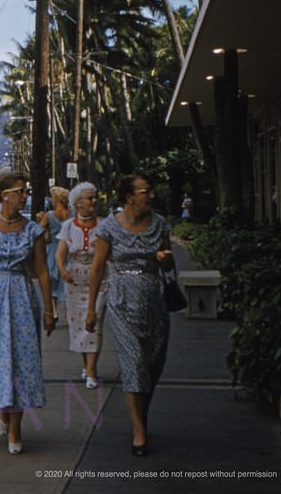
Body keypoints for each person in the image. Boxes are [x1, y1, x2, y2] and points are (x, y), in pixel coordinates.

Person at [0, 171, 56, 455]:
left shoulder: (33, 231)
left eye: (26, 191)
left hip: (22, 298)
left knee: (22, 360)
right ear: (4, 195)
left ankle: (16, 428)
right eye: (20, 191)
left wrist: (49, 308)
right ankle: (3, 411)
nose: (25, 196)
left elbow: (41, 270)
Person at [85, 174, 174, 457]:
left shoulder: (159, 224)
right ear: (129, 197)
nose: (150, 195)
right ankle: (139, 431)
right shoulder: (109, 227)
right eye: (145, 191)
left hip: (154, 300)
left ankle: (142, 417)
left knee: (152, 365)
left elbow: (169, 259)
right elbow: (98, 268)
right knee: (133, 364)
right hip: (122, 301)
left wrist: (165, 259)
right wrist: (91, 308)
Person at [55, 182, 106, 389]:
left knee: (95, 321)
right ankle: (86, 364)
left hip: (99, 279)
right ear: (77, 203)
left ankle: (92, 370)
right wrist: (62, 270)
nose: (93, 201)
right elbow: (60, 254)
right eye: (89, 198)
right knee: (79, 324)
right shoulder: (68, 226)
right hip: (75, 279)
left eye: (95, 198)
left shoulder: (103, 226)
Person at [38, 186, 70, 313]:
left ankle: (54, 309)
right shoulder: (71, 214)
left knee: (52, 280)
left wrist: (40, 220)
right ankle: (69, 311)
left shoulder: (49, 215)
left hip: (53, 249)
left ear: (56, 200)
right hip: (67, 248)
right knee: (67, 279)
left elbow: (38, 230)